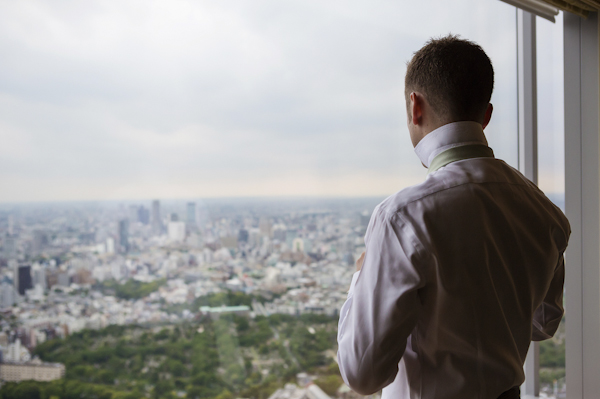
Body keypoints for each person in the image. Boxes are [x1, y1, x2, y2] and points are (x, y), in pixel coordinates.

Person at [336, 35, 570, 399]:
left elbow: (361, 374)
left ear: (415, 107)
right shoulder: (544, 211)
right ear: (486, 116)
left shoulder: (403, 217)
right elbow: (544, 323)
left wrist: (360, 280)